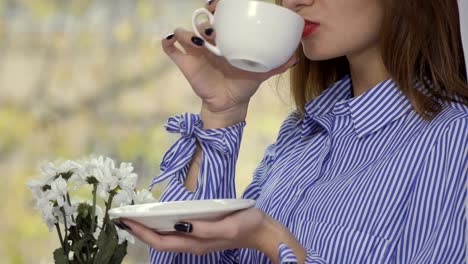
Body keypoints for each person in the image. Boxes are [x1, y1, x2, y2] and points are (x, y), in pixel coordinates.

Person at [114, 0, 468, 263]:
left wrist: (270, 238)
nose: (296, 1)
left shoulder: (454, 140)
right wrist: (222, 113)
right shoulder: (299, 134)